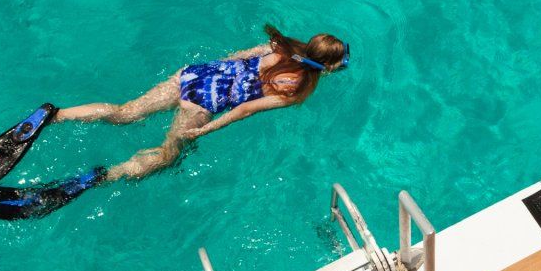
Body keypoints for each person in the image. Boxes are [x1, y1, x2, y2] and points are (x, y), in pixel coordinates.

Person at [57, 26, 350, 182]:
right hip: (202, 102)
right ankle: (104, 177)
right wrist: (205, 129)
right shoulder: (296, 89)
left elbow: (236, 57)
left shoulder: (286, 47)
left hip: (196, 74)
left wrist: (210, 73)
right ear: (326, 66)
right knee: (166, 157)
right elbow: (245, 109)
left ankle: (57, 114)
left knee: (124, 113)